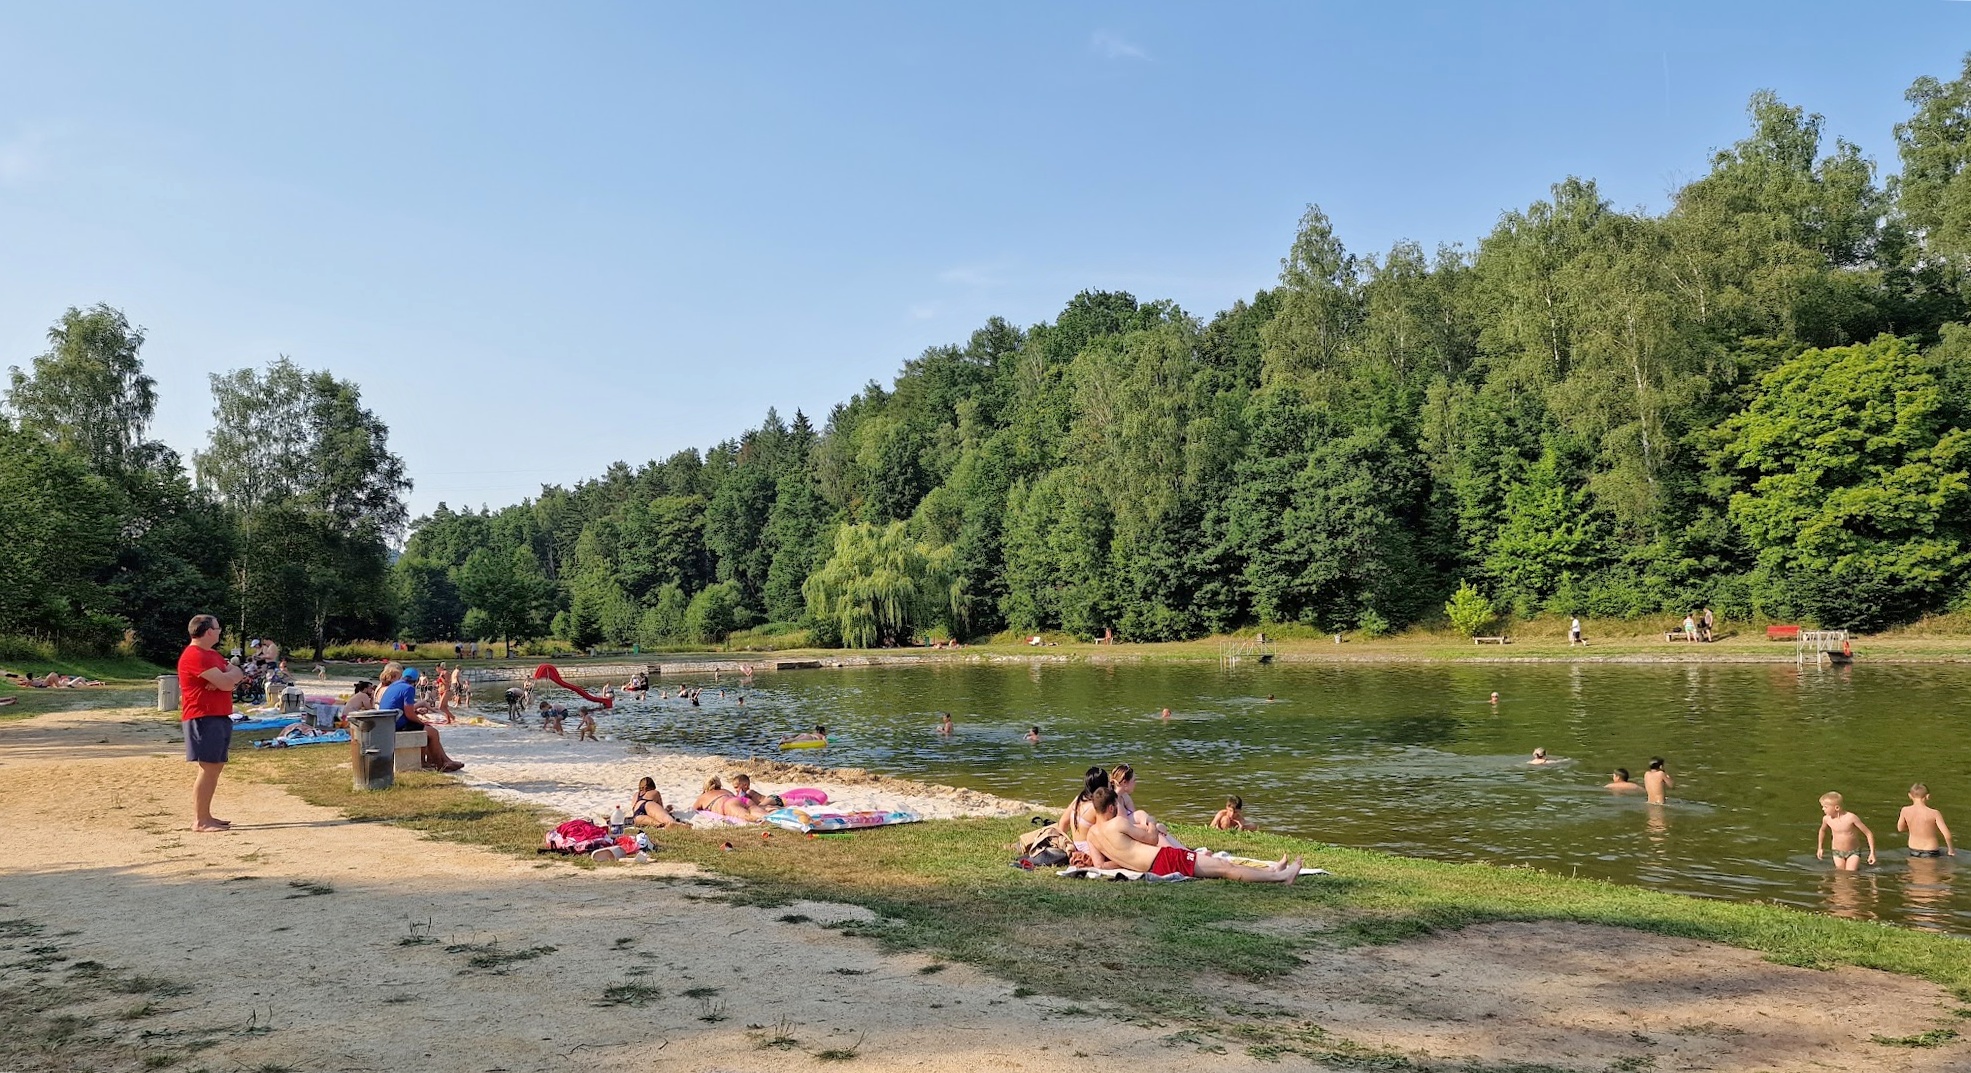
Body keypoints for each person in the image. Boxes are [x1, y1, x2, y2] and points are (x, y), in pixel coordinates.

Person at [1084, 787, 1300, 882]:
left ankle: (1271, 870)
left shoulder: (1092, 835)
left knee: (1218, 866)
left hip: (1153, 866)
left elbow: (1100, 865)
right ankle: (1279, 876)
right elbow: (1151, 839)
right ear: (1111, 807)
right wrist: (1151, 822)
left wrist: (1126, 861)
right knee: (1224, 868)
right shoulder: (1118, 823)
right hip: (1164, 859)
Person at [180, 614, 245, 833]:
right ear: (208, 631)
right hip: (203, 717)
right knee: (208, 767)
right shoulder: (195, 655)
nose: (219, 632)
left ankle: (206, 816)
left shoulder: (212, 655)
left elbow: (236, 674)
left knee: (214, 767)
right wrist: (225, 680)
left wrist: (226, 679)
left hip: (217, 716)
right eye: (218, 629)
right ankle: (200, 821)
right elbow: (228, 682)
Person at [378, 667, 464, 771]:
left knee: (429, 730)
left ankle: (445, 760)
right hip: (397, 724)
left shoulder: (394, 685)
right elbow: (409, 714)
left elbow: (400, 708)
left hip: (388, 722)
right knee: (433, 732)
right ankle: (440, 765)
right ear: (416, 680)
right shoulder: (408, 688)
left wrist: (416, 712)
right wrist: (421, 722)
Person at [1111, 763, 1185, 848]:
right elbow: (1123, 826)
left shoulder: (1125, 797)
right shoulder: (1112, 801)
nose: (1136, 783)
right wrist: (1151, 827)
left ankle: (1185, 850)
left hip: (1135, 829)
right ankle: (1180, 851)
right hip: (1124, 833)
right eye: (1134, 780)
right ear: (1125, 782)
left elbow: (1135, 818)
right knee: (1154, 828)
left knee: (1142, 816)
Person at [1816, 791, 1877, 870]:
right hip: (1837, 852)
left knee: (1851, 873)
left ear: (1837, 808)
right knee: (1840, 873)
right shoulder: (1826, 819)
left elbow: (1868, 833)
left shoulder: (1851, 818)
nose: (1823, 809)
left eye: (1825, 807)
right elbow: (1822, 831)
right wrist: (1820, 847)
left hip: (1853, 852)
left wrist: (1872, 853)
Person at [1898, 784, 1955, 858]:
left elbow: (1900, 828)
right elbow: (1947, 835)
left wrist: (1914, 828)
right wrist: (1951, 850)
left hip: (1913, 849)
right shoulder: (1934, 813)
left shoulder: (1905, 810)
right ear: (1928, 796)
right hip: (1930, 850)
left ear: (1909, 795)